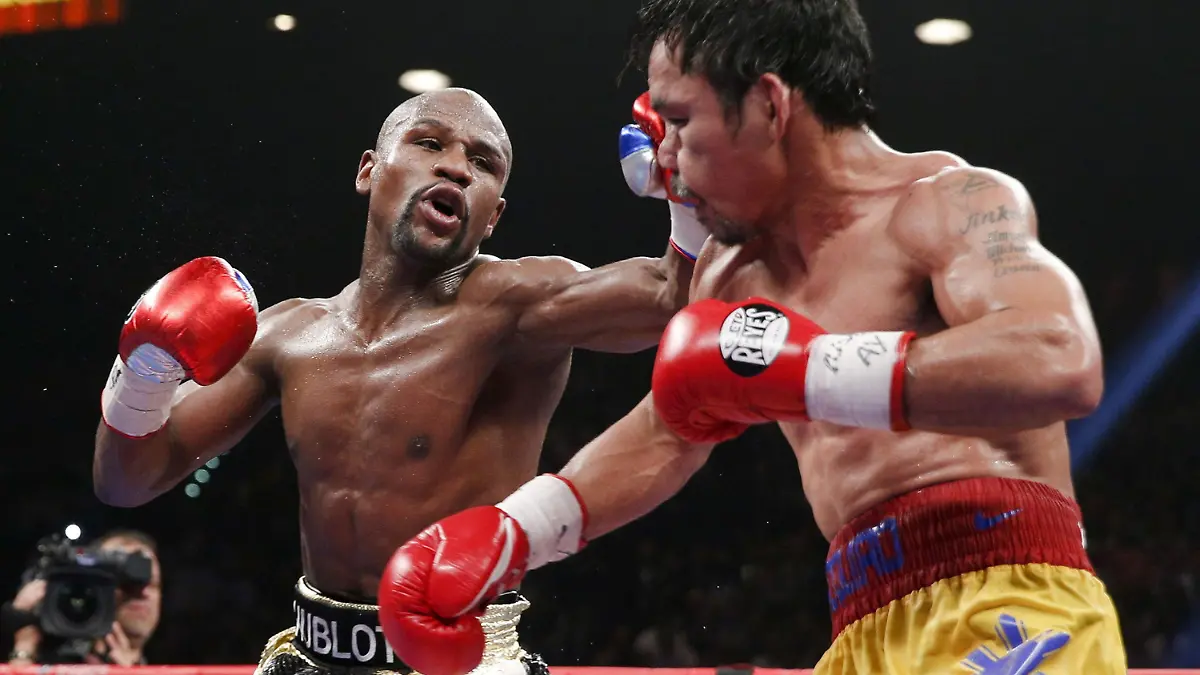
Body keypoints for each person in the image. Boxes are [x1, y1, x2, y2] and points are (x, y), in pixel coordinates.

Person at [375, 2, 1129, 674]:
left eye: (679, 121)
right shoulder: (732, 275)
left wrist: (813, 370)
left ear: (768, 104)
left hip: (1011, 602)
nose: (662, 156)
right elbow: (670, 431)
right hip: (860, 622)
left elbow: (1057, 356)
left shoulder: (945, 203)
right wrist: (513, 532)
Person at [92, 88, 700, 675]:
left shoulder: (518, 308)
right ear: (368, 171)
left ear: (493, 217)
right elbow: (127, 480)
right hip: (310, 659)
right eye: (429, 143)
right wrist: (142, 375)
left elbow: (674, 296)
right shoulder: (288, 336)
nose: (457, 168)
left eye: (483, 163)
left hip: (463, 662)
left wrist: (689, 190)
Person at [6, 530, 161, 666]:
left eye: (154, 584)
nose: (144, 592)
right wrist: (24, 646)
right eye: (128, 585)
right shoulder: (48, 662)